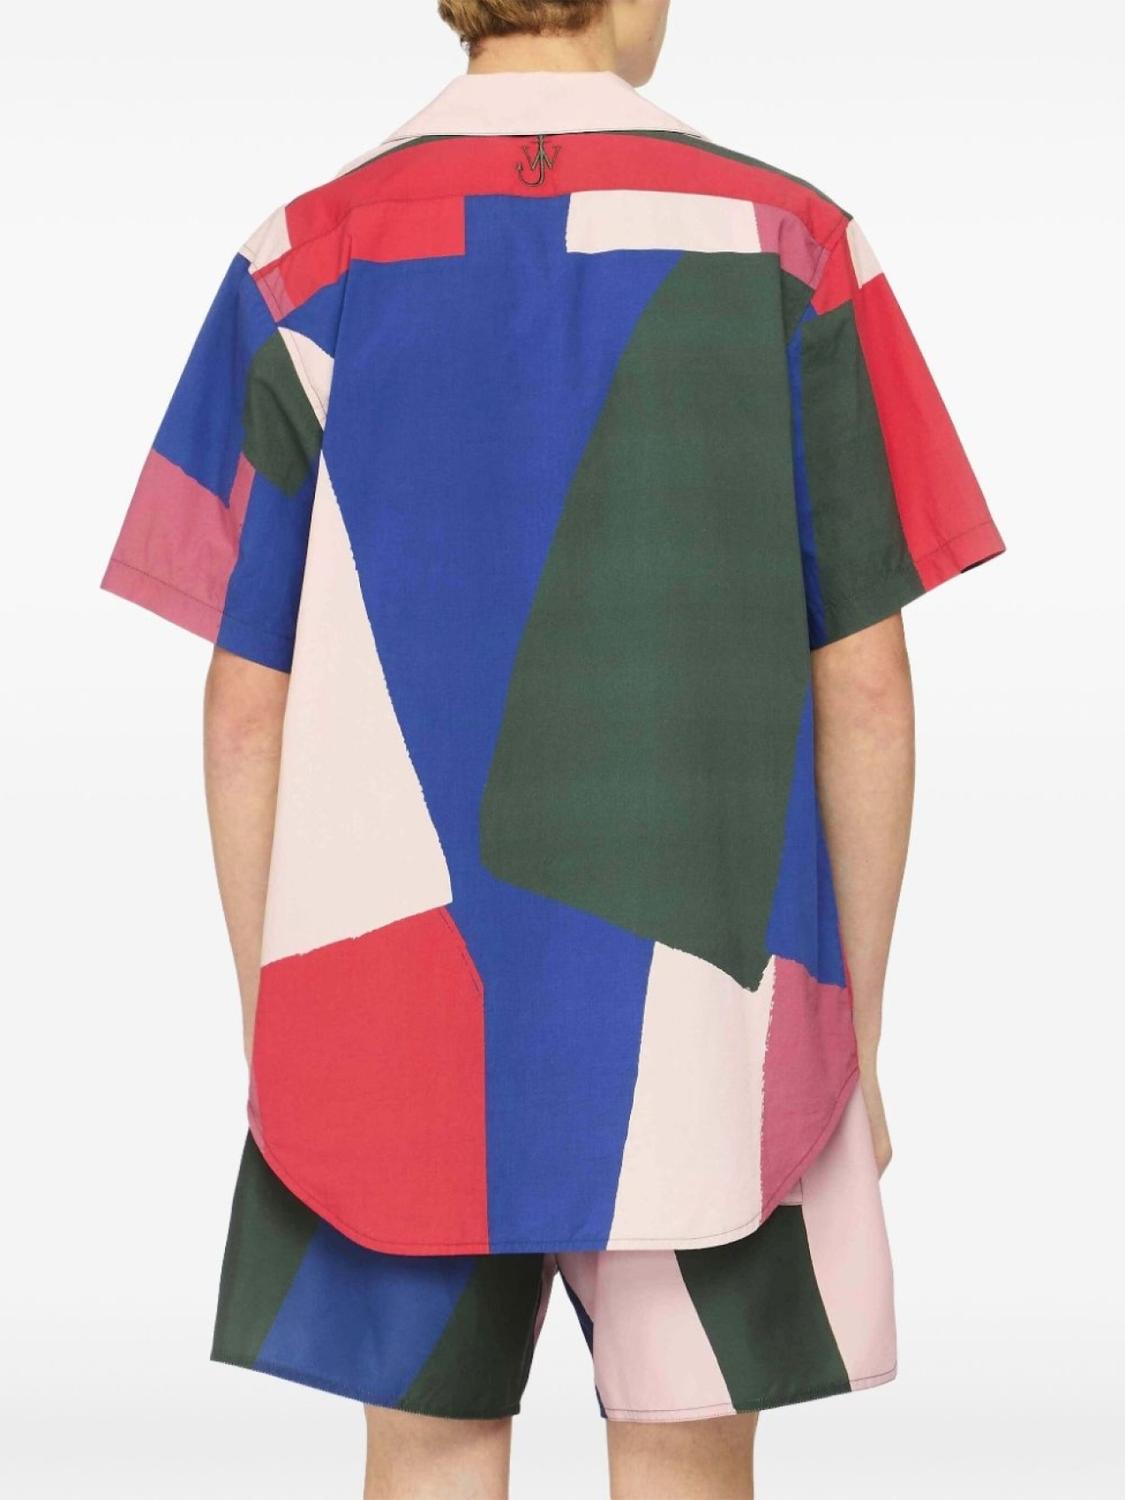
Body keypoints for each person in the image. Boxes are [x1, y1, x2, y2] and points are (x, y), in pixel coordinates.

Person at [101, 2, 1004, 1496]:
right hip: (712, 1015)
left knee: (429, 1459)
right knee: (686, 1459)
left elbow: (244, 704)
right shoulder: (791, 248)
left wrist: (282, 1027)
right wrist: (849, 1038)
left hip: (395, 1016)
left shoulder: (303, 260)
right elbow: (867, 690)